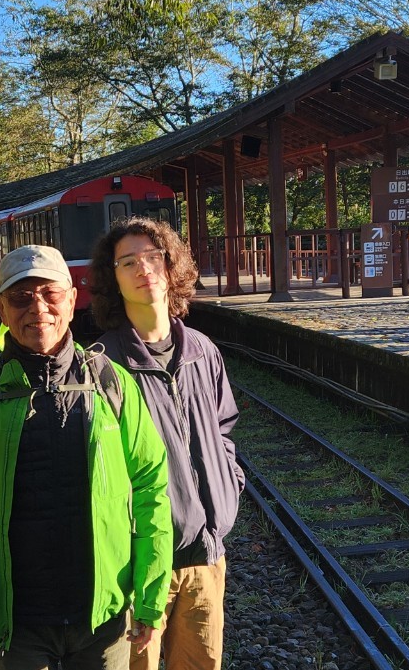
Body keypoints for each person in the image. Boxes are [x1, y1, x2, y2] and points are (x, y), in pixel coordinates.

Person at [0, 244, 173, 670]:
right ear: (1, 309)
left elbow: (152, 491)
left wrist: (150, 601)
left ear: (72, 301)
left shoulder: (112, 386)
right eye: (21, 297)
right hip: (18, 629)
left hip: (103, 620)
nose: (37, 307)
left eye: (50, 293)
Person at [89, 217, 243, 670]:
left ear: (171, 265)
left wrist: (227, 491)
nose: (144, 268)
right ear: (112, 279)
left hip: (205, 556)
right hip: (139, 566)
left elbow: (225, 428)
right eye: (128, 262)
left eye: (153, 257)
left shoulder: (202, 350)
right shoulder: (102, 366)